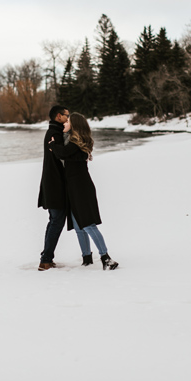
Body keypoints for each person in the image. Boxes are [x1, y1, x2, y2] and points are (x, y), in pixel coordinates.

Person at [48, 112, 118, 270]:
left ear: (75, 125)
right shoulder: (73, 141)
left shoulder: (76, 144)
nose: (64, 124)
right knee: (79, 227)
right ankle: (86, 258)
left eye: (67, 122)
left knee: (87, 224)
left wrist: (52, 145)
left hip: (81, 188)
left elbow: (62, 153)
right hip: (74, 188)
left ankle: (106, 258)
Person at [37, 105, 70, 271]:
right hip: (54, 186)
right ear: (59, 116)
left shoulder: (54, 132)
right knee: (56, 221)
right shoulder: (54, 134)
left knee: (54, 222)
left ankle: (46, 257)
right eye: (66, 116)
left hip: (53, 184)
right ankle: (46, 260)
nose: (68, 118)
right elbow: (62, 155)